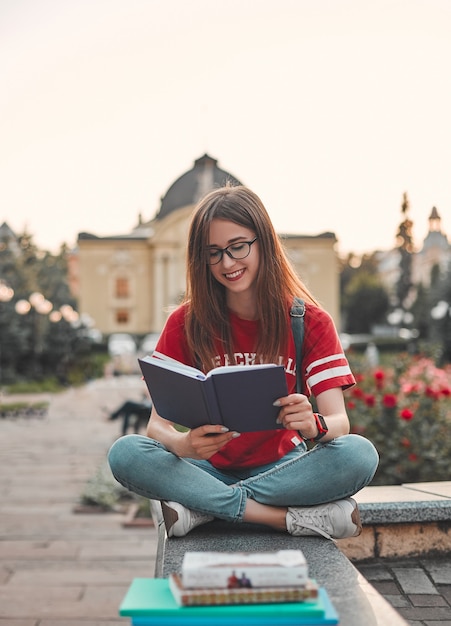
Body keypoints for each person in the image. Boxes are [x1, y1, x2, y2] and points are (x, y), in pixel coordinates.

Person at [108, 184, 379, 540]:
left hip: (285, 468)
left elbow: (338, 422)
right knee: (126, 454)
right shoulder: (185, 323)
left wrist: (314, 424)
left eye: (238, 247)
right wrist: (183, 446)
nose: (227, 263)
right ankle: (280, 519)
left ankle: (204, 509)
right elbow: (157, 427)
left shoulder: (309, 321)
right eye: (214, 253)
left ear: (263, 241)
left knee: (359, 455)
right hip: (205, 469)